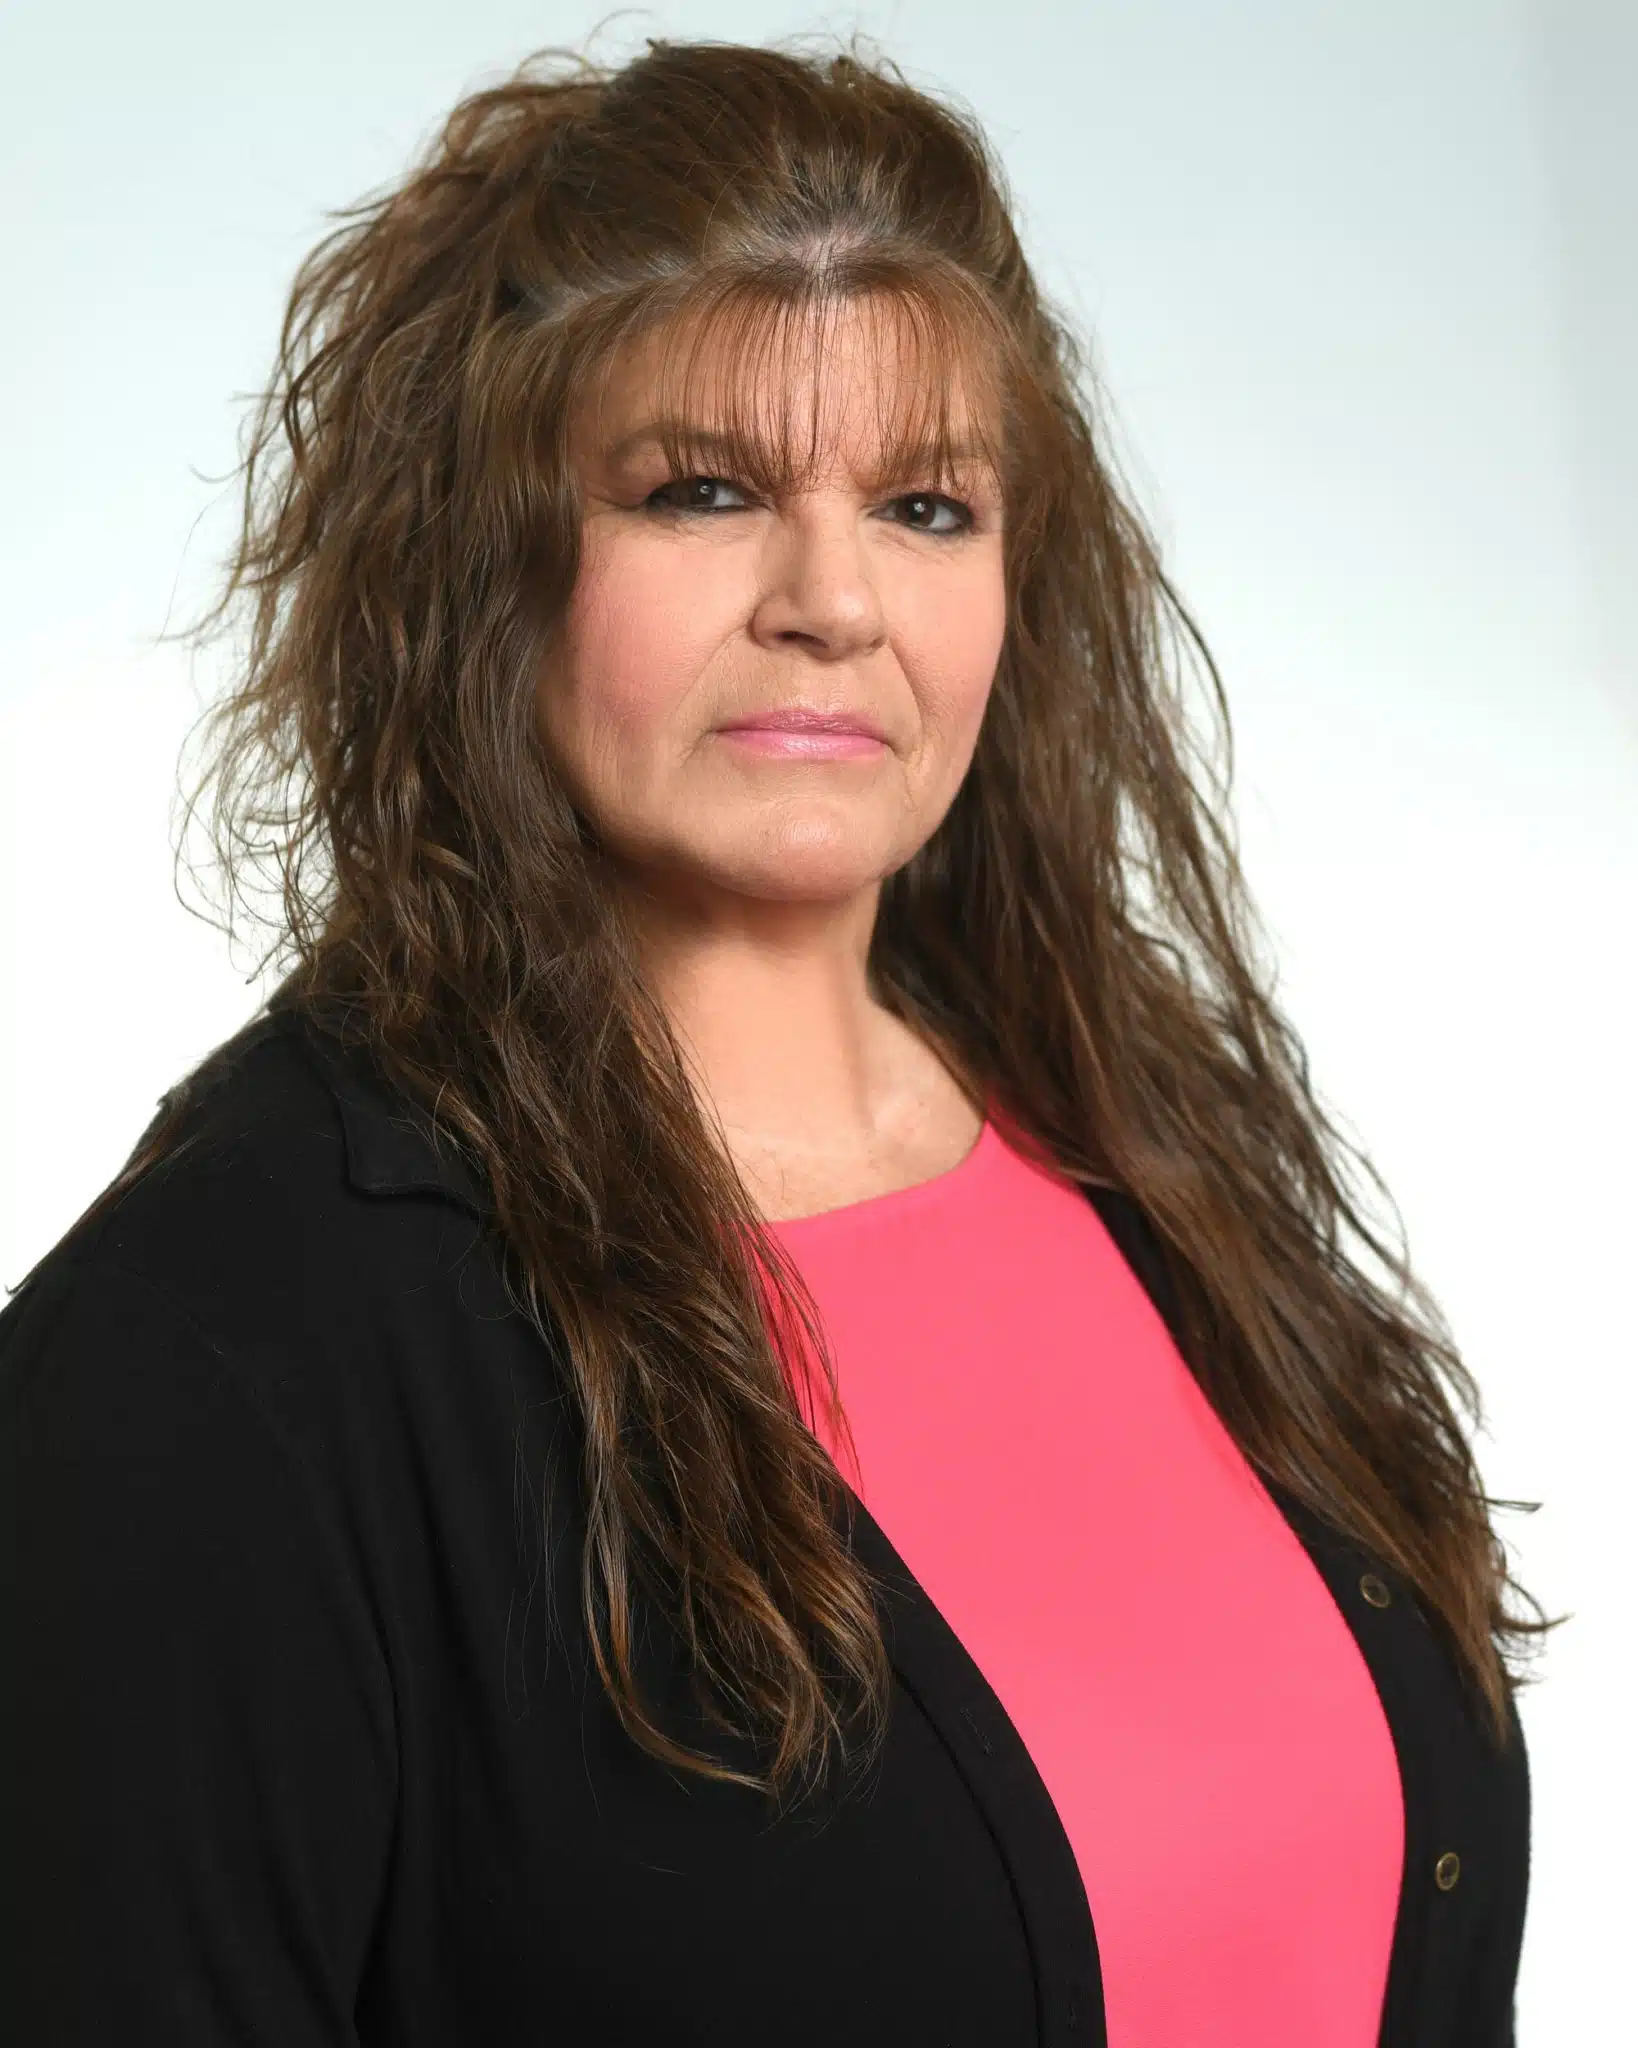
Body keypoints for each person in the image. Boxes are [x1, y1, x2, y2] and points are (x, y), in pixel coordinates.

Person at [0, 37, 1540, 2048]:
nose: (834, 598)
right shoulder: (221, 1352)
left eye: (925, 505)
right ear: (483, 558)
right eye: (702, 490)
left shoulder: (1149, 1160)